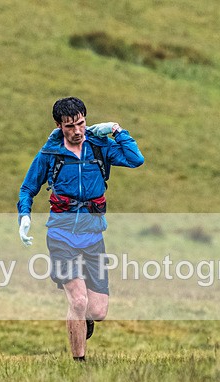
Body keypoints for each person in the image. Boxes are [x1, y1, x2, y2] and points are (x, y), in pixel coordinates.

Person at [17, 96, 144, 361]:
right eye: (70, 126)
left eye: (81, 123)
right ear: (58, 126)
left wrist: (117, 130)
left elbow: (136, 159)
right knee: (78, 301)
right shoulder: (50, 154)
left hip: (93, 237)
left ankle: (84, 320)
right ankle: (79, 362)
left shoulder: (99, 147)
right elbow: (28, 188)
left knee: (97, 311)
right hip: (61, 236)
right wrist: (24, 217)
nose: (77, 131)